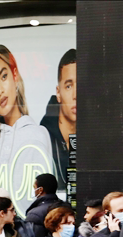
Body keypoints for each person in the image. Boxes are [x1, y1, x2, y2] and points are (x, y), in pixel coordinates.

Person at [0, 44, 53, 217]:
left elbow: (43, 199)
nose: (0, 90)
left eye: (4, 76)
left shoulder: (37, 134)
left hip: (26, 236)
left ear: (15, 76)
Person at [40, 49, 76, 190]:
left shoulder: (96, 138)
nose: (75, 95)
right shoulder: (42, 138)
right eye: (68, 86)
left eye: (81, 84)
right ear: (58, 93)